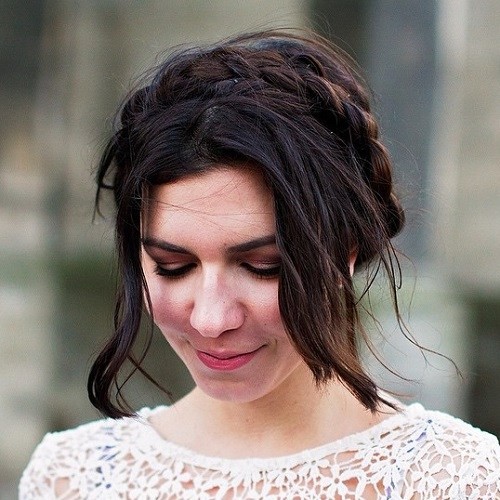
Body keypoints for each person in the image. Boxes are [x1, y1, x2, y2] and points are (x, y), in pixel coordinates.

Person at [20, 29, 499, 499]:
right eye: (171, 266)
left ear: (345, 250)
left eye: (263, 265)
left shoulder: (454, 480)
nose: (211, 319)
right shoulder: (74, 477)